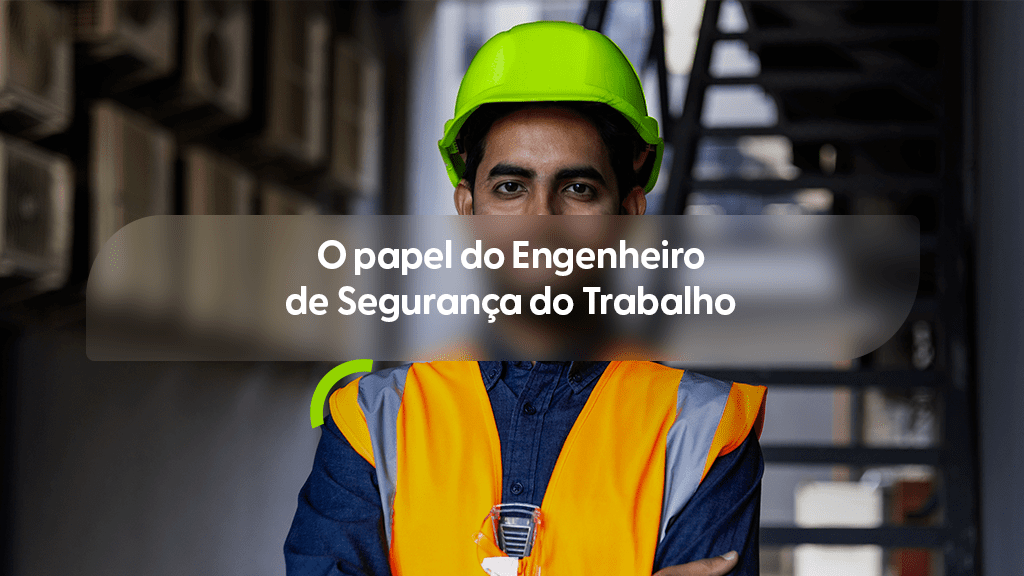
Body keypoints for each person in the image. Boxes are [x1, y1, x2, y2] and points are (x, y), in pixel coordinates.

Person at [285, 22, 766, 576]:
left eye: (578, 189)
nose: (542, 221)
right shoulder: (370, 423)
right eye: (511, 187)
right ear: (467, 211)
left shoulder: (705, 433)